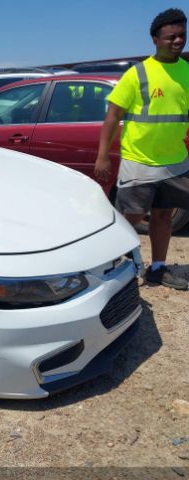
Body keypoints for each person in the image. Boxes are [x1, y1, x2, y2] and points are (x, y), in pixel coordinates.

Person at [94, 7, 189, 290]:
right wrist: (102, 156)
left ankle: (158, 268)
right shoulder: (137, 74)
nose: (178, 41)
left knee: (163, 215)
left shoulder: (187, 72)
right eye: (171, 36)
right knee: (130, 218)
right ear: (155, 39)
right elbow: (112, 115)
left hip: (174, 161)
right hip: (139, 161)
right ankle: (107, 266)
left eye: (182, 35)